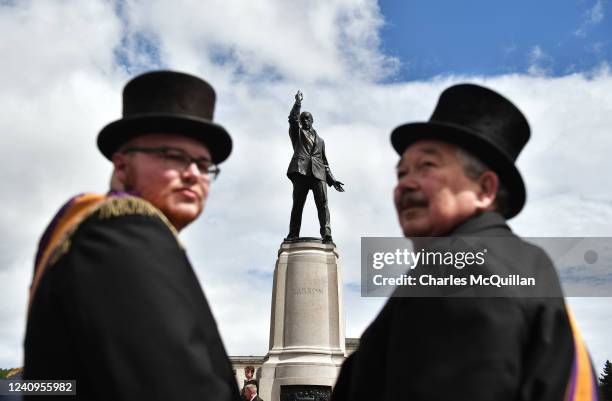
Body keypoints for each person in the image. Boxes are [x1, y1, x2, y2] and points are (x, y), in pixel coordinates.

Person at [331, 84, 598, 401]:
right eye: (401, 173)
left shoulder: (459, 268)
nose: (405, 184)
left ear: (485, 189)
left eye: (426, 166)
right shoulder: (526, 262)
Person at [23, 70, 241, 401]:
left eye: (204, 164)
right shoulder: (119, 232)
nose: (194, 174)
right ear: (122, 166)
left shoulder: (112, 234)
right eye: (174, 156)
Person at [286, 90, 344, 243]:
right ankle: (293, 234)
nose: (304, 121)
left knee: (323, 205)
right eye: (302, 118)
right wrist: (298, 103)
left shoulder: (321, 141)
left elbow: (324, 161)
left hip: (318, 175)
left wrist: (332, 179)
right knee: (297, 205)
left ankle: (326, 234)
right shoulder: (297, 134)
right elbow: (292, 119)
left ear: (312, 120)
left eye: (307, 118)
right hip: (301, 171)